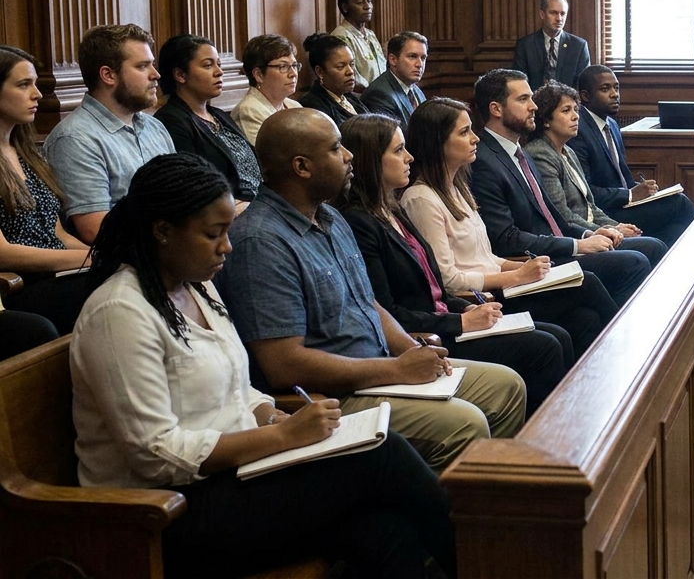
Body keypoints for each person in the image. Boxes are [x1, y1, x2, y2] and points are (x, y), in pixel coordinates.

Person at [70, 153, 455, 577]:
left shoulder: (195, 288)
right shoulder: (119, 311)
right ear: (163, 231)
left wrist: (270, 413)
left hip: (231, 478)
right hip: (163, 511)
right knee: (380, 457)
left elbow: (237, 387)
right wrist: (285, 436)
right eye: (213, 234)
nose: (227, 247)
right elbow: (155, 453)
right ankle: (486, 559)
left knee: (379, 529)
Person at [216, 108, 526, 473]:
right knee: (464, 423)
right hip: (334, 395)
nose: (348, 156)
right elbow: (284, 364)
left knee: (507, 386)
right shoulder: (261, 241)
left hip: (380, 365)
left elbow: (369, 302)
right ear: (302, 167)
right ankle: (450, 517)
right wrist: (395, 369)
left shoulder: (330, 217)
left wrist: (415, 352)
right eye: (335, 149)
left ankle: (483, 505)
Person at [337, 113, 571, 415]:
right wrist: (460, 321)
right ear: (371, 160)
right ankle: (537, 444)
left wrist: (466, 308)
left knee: (559, 336)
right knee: (545, 347)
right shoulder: (360, 222)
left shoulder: (391, 208)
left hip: (451, 317)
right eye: (397, 151)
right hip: (427, 337)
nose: (409, 157)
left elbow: (433, 285)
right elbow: (387, 310)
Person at [401, 97, 621, 359]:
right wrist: (518, 276)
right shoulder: (420, 199)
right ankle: (624, 356)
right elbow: (447, 279)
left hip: (504, 286)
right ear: (437, 142)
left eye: (472, 129)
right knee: (588, 283)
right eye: (464, 132)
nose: (475, 139)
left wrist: (530, 270)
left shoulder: (457, 187)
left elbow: (485, 257)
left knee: (584, 318)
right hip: (483, 299)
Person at [468, 69, 652, 309]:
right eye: (523, 99)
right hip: (534, 261)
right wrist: (577, 245)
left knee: (641, 252)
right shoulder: (484, 161)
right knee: (634, 262)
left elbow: (553, 215)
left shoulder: (518, 153)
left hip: (558, 246)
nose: (533, 106)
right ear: (496, 109)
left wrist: (589, 234)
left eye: (531, 98)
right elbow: (506, 238)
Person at [43, 24, 175, 244]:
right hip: (122, 266)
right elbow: (96, 230)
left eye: (152, 64)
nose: (156, 74)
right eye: (143, 66)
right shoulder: (75, 139)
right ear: (108, 75)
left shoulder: (155, 127)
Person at [524, 81, 667, 265]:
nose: (576, 117)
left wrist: (616, 226)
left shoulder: (568, 151)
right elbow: (563, 215)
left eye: (576, 110)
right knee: (652, 248)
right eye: (566, 111)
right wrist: (607, 230)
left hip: (596, 231)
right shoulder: (540, 154)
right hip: (577, 240)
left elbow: (590, 205)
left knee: (656, 243)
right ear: (545, 120)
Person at [0, 45, 91, 331]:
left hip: (58, 273)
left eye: (35, 84)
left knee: (131, 277)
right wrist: (91, 259)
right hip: (19, 285)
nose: (37, 94)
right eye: (24, 84)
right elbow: (4, 253)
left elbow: (56, 233)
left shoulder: (26, 152)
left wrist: (103, 256)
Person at [569, 65, 694, 246]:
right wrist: (630, 195)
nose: (614, 94)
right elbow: (585, 192)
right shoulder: (578, 129)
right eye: (605, 89)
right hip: (604, 213)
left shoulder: (612, 125)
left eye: (616, 87)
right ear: (585, 96)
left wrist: (644, 190)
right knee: (679, 204)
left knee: (676, 228)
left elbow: (622, 177)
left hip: (624, 205)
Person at [154, 34, 262, 206]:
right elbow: (192, 186)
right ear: (180, 75)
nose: (219, 71)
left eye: (218, 64)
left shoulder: (220, 115)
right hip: (226, 213)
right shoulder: (171, 121)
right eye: (208, 65)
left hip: (258, 204)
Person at [230, 34, 302, 145]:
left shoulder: (295, 106)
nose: (293, 74)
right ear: (258, 75)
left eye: (295, 65)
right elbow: (270, 158)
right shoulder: (249, 111)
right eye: (283, 66)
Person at [512, 0, 590, 89]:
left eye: (562, 14)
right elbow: (519, 82)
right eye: (553, 13)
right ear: (542, 14)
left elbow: (583, 84)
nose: (559, 19)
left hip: (569, 102)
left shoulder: (579, 46)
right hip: (534, 102)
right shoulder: (525, 45)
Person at [362, 31, 429, 128]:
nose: (419, 64)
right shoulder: (379, 94)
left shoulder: (416, 91)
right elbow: (391, 140)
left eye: (423, 58)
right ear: (393, 60)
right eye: (412, 56)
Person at [298, 32, 368, 126]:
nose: (350, 71)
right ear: (320, 72)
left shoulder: (349, 97)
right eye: (340, 67)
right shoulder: (313, 105)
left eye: (351, 64)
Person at [330, 0, 386, 88]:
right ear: (345, 7)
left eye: (369, 1)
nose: (367, 6)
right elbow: (353, 79)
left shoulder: (370, 34)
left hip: (382, 96)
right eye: (360, 2)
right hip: (364, 99)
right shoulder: (341, 36)